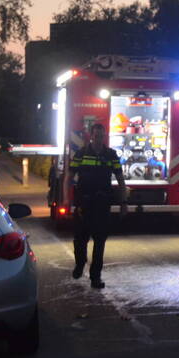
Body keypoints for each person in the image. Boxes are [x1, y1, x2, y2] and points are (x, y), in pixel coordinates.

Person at [70, 122, 127, 289]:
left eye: (101, 136)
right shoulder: (81, 154)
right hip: (84, 204)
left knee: (100, 242)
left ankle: (96, 277)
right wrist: (67, 199)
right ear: (91, 136)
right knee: (80, 240)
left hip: (102, 205)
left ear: (104, 137)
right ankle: (80, 264)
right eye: (96, 136)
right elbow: (69, 176)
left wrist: (124, 202)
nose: (99, 139)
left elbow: (120, 180)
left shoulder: (111, 155)